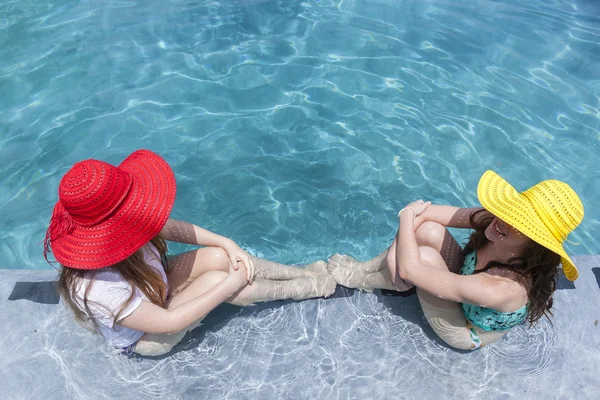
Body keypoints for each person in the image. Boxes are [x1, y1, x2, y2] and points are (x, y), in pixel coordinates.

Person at [44, 149, 335, 357]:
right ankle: (304, 287)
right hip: (149, 335)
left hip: (153, 287)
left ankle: (305, 271)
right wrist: (229, 285)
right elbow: (170, 322)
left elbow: (175, 229)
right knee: (216, 281)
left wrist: (226, 243)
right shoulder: (98, 288)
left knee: (221, 257)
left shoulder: (128, 224)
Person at [327, 170, 584, 350]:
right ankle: (369, 270)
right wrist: (398, 258)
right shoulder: (497, 221)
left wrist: (405, 217)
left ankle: (361, 278)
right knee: (427, 231)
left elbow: (412, 265)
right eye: (513, 211)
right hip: (464, 279)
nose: (503, 219)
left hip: (465, 329)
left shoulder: (504, 288)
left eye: (519, 223)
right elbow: (426, 217)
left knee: (423, 256)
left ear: (535, 244)